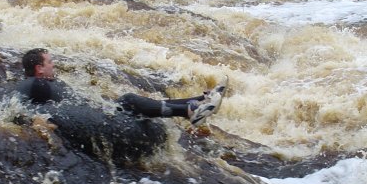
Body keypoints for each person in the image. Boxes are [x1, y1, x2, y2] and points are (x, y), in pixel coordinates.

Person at [16, 48, 226, 126]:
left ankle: (200, 101)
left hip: (95, 112)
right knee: (129, 100)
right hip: (95, 119)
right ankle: (190, 112)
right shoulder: (38, 85)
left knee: (142, 102)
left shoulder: (49, 83)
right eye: (50, 62)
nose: (54, 64)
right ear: (39, 69)